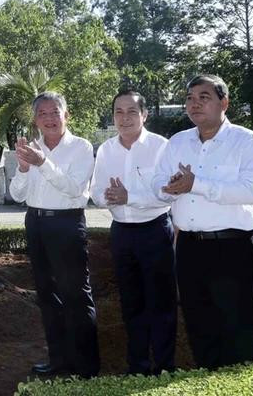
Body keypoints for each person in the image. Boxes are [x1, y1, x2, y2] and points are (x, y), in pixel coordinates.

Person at [153, 74, 253, 369]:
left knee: (238, 330)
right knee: (199, 326)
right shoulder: (177, 142)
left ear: (224, 102)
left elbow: (252, 191)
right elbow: (157, 182)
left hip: (234, 247)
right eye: (190, 98)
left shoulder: (247, 141)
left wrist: (197, 184)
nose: (194, 104)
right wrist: (167, 187)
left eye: (204, 97)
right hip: (190, 248)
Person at [9, 91, 100, 379]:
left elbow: (74, 189)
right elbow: (16, 194)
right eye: (42, 114)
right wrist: (23, 169)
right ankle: (59, 360)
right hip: (35, 223)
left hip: (66, 224)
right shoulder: (31, 148)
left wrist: (42, 163)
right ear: (35, 119)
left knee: (75, 295)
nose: (49, 118)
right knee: (47, 297)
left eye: (54, 112)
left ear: (66, 114)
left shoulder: (82, 147)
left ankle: (86, 367)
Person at [90, 90, 177, 375]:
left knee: (161, 303)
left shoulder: (161, 147)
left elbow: (168, 194)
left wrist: (130, 196)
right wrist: (110, 197)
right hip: (121, 234)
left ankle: (164, 367)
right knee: (131, 303)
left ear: (144, 115)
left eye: (131, 112)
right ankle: (137, 366)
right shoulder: (106, 150)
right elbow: (95, 192)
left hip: (155, 231)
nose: (124, 118)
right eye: (118, 112)